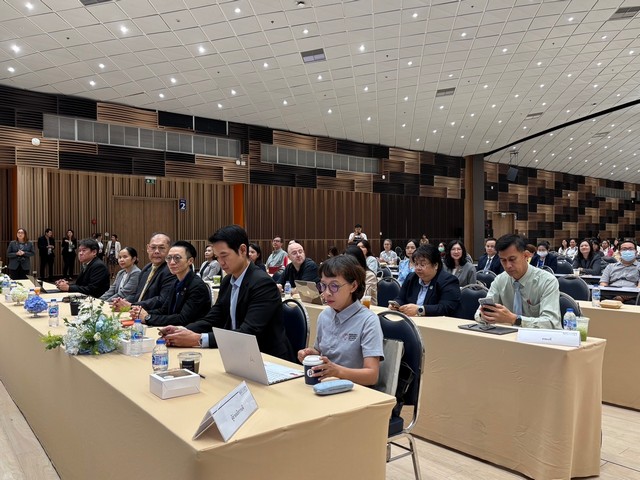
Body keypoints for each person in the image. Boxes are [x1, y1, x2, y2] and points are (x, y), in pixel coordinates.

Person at [159, 225, 294, 361]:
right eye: (217, 257)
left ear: (242, 250)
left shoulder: (262, 283)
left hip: (267, 358)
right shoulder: (228, 280)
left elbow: (248, 333)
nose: (221, 262)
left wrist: (198, 339)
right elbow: (214, 318)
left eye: (224, 256)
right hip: (237, 353)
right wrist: (182, 330)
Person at [297, 255, 383, 386]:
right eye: (323, 286)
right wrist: (311, 354)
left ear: (353, 286)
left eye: (334, 286)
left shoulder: (368, 321)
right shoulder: (324, 316)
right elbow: (322, 353)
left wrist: (337, 371)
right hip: (325, 384)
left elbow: (372, 376)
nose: (326, 293)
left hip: (354, 389)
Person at [474, 234, 561, 329]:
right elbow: (478, 314)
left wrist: (514, 319)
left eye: (512, 259)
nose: (508, 266)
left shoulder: (547, 281)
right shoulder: (500, 280)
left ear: (526, 255)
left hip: (539, 337)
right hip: (508, 335)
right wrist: (485, 315)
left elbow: (551, 323)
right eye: (503, 260)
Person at [132, 241, 211, 327]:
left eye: (177, 258)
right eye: (169, 258)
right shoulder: (176, 282)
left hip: (191, 331)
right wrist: (141, 313)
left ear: (190, 261)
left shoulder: (196, 286)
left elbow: (183, 319)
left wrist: (148, 318)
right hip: (174, 329)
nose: (172, 262)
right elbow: (164, 310)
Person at [390, 244, 460, 317]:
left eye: (422, 264)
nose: (418, 268)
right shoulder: (411, 278)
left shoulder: (448, 281)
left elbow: (446, 308)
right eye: (416, 264)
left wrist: (420, 310)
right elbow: (401, 298)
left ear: (435, 265)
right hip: (411, 320)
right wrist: (396, 304)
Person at [112, 233, 176, 311]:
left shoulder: (171, 270)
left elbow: (161, 300)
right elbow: (137, 294)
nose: (156, 251)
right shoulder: (147, 268)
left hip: (152, 314)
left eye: (161, 248)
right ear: (148, 248)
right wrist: (122, 302)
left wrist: (131, 306)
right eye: (153, 247)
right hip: (136, 311)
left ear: (170, 250)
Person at [599, 238, 640, 303]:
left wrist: (622, 297)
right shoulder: (610, 267)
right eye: (624, 249)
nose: (627, 251)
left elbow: (639, 287)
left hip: (632, 296)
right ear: (619, 253)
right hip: (611, 295)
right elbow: (603, 283)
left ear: (636, 252)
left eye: (631, 249)